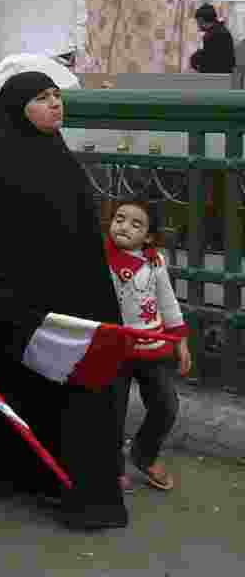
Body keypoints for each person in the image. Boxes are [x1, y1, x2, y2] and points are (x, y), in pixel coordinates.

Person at [0, 57, 129, 531]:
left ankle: (78, 487)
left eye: (56, 96)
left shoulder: (55, 152)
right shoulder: (3, 162)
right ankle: (26, 475)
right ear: (18, 109)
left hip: (74, 296)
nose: (54, 104)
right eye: (41, 98)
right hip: (26, 303)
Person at [107, 200, 191, 492]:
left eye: (135, 223)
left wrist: (180, 342)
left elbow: (167, 303)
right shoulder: (100, 259)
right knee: (111, 410)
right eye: (119, 218)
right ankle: (111, 466)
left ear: (149, 236)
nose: (124, 226)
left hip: (152, 348)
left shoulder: (155, 263)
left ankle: (144, 454)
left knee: (166, 404)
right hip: (113, 349)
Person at [190, 3, 235, 73]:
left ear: (201, 20)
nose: (198, 25)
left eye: (197, 22)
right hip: (224, 76)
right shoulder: (221, 31)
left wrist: (196, 58)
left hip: (217, 77)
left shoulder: (214, 34)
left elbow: (211, 61)